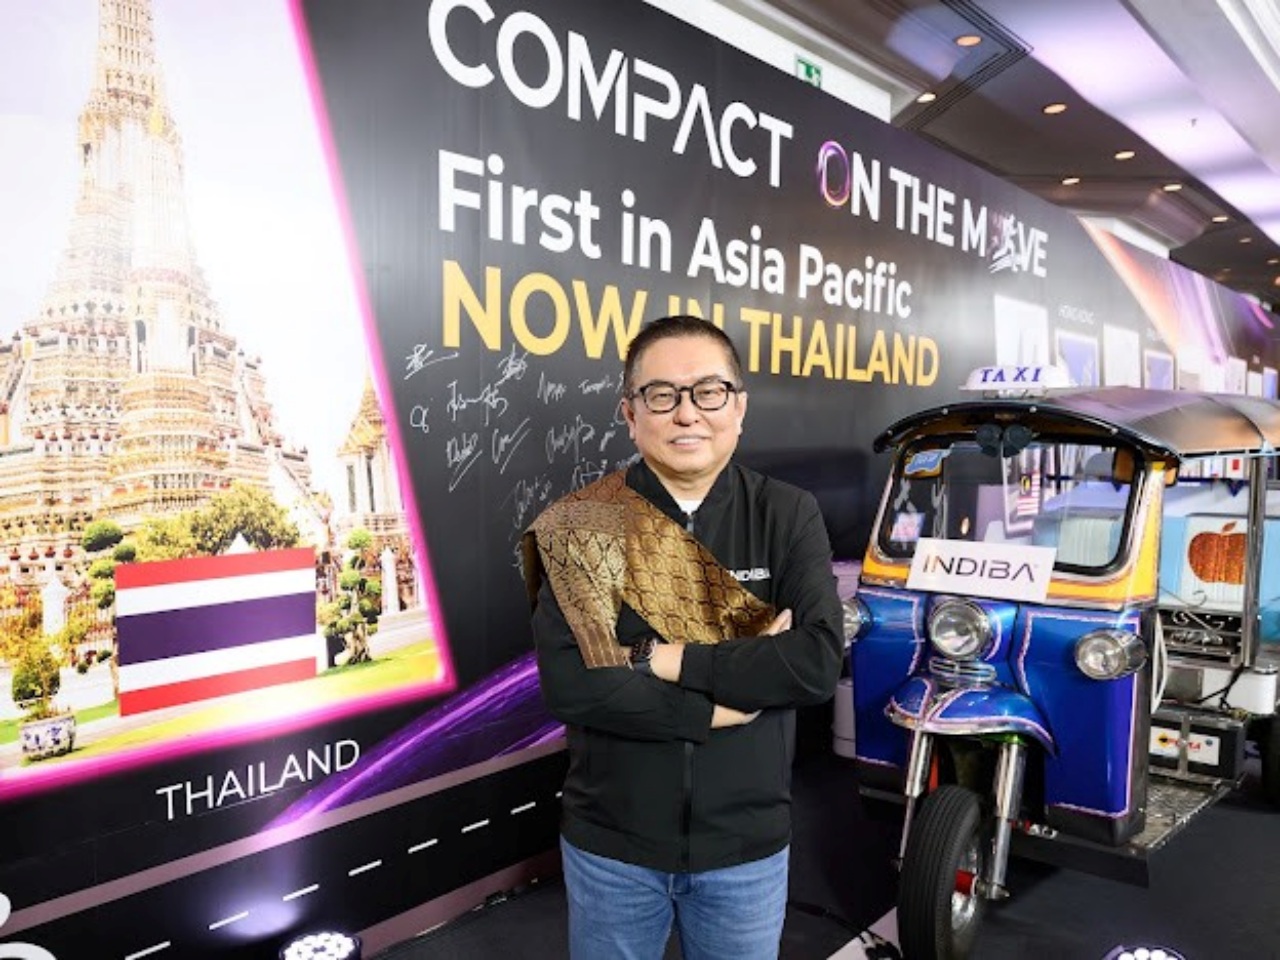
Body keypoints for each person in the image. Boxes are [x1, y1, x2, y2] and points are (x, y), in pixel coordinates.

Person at [521, 315, 844, 960]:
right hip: (612, 847)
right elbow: (575, 685)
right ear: (630, 413)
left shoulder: (786, 513)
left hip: (745, 849)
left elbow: (813, 663)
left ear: (739, 406)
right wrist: (717, 707)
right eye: (661, 394)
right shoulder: (583, 525)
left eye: (709, 392)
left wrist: (657, 658)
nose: (687, 413)